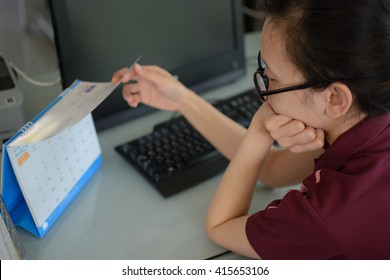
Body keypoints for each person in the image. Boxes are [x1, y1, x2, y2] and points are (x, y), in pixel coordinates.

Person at [112, 0, 390, 259]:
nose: (264, 86)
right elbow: (272, 169)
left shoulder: (326, 221)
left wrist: (260, 129)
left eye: (272, 77)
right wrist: (182, 99)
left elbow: (220, 226)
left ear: (334, 98)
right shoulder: (369, 111)